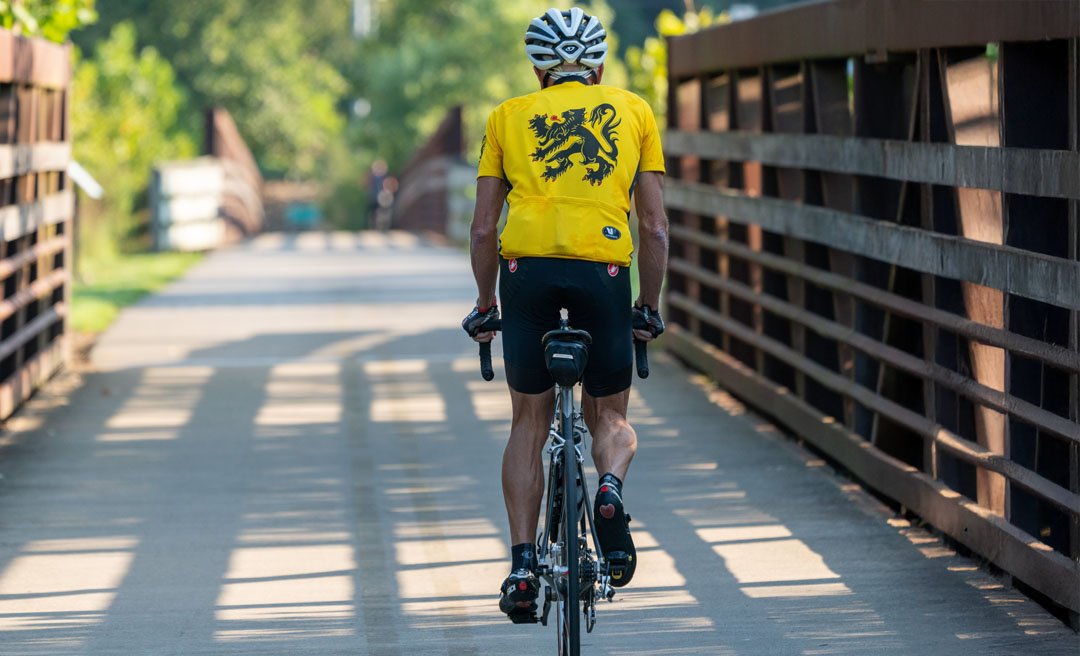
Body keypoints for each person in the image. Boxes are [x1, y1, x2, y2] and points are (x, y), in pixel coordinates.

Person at [462, 7, 668, 623]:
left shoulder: (507, 117)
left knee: (529, 420)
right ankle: (608, 490)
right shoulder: (633, 111)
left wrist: (485, 303)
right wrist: (647, 306)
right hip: (601, 270)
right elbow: (654, 227)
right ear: (599, 66)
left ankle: (523, 565)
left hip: (525, 273)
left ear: (538, 70)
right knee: (612, 417)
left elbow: (480, 231)